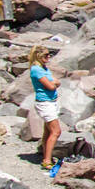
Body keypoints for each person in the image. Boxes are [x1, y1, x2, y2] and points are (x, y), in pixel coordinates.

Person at [29, 45, 62, 174]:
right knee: (56, 131)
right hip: (45, 103)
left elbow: (56, 81)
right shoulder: (36, 70)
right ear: (39, 56)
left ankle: (45, 156)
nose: (48, 57)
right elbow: (51, 85)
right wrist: (54, 84)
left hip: (51, 101)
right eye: (46, 55)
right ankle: (47, 160)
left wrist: (54, 84)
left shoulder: (44, 68)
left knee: (48, 131)